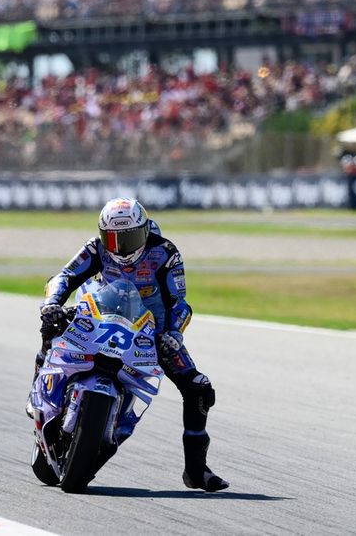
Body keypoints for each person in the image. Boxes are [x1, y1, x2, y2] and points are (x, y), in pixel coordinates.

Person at [35, 198, 229, 492]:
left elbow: (180, 304)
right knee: (51, 326)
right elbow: (65, 276)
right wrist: (51, 304)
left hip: (152, 333)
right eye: (112, 238)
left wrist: (174, 334)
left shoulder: (165, 253)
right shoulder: (96, 248)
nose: (121, 247)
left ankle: (196, 470)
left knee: (199, 388)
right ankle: (40, 386)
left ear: (145, 230)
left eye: (129, 238)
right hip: (99, 318)